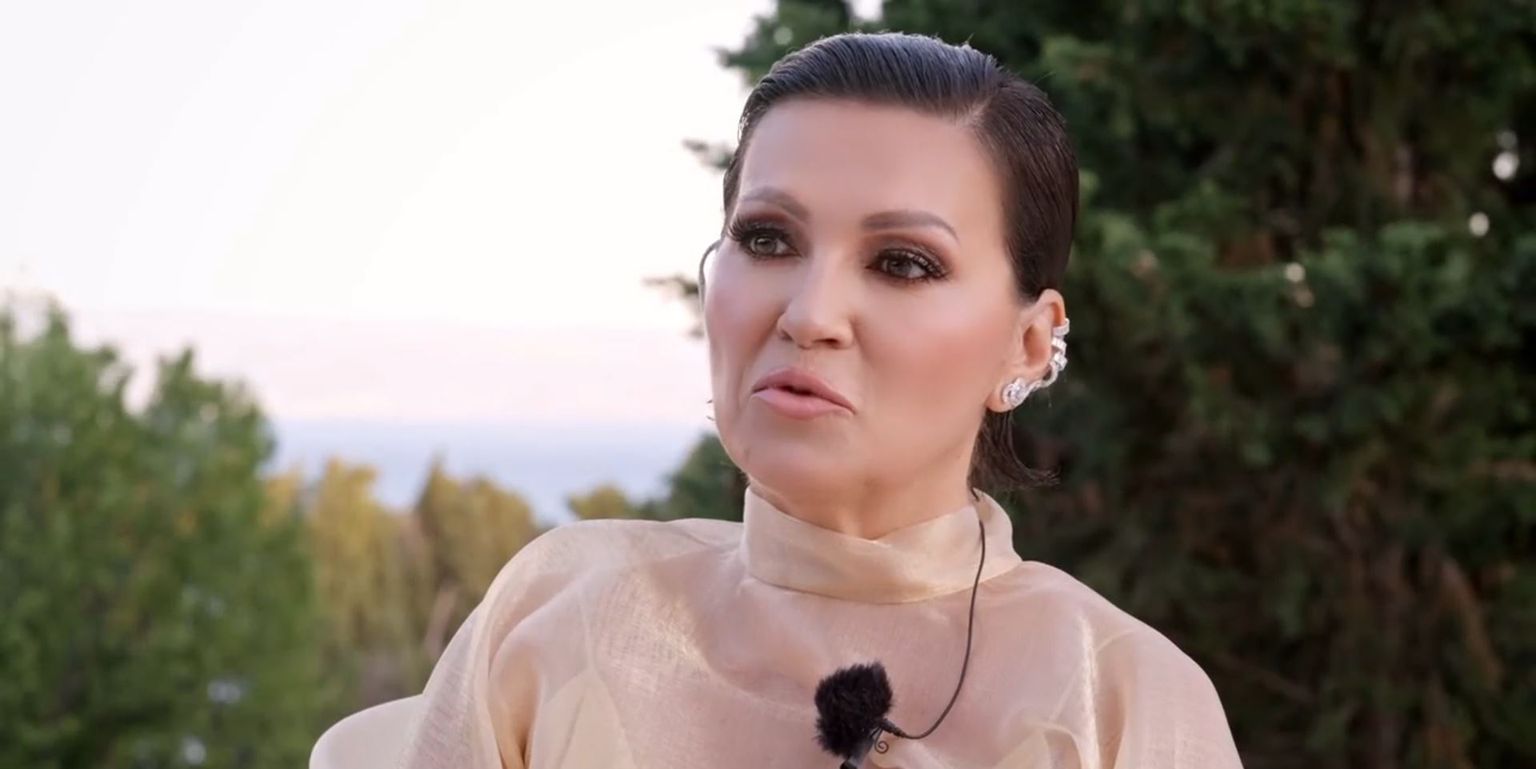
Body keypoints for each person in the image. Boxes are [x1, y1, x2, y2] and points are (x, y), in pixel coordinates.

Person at [392, 31, 1243, 769]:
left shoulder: (1116, 697)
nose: (808, 314)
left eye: (903, 262)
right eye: (768, 240)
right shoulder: (558, 620)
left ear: (1027, 342)